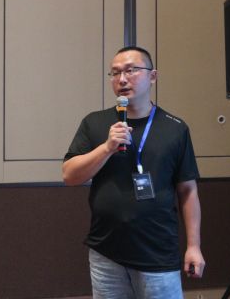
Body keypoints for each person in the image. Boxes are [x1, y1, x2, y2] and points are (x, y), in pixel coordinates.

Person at [63, 46, 205, 299]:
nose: (122, 79)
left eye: (131, 70)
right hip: (106, 252)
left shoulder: (175, 129)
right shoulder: (94, 123)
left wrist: (194, 246)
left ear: (153, 76)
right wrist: (107, 147)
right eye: (115, 73)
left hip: (157, 253)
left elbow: (187, 191)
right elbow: (70, 176)